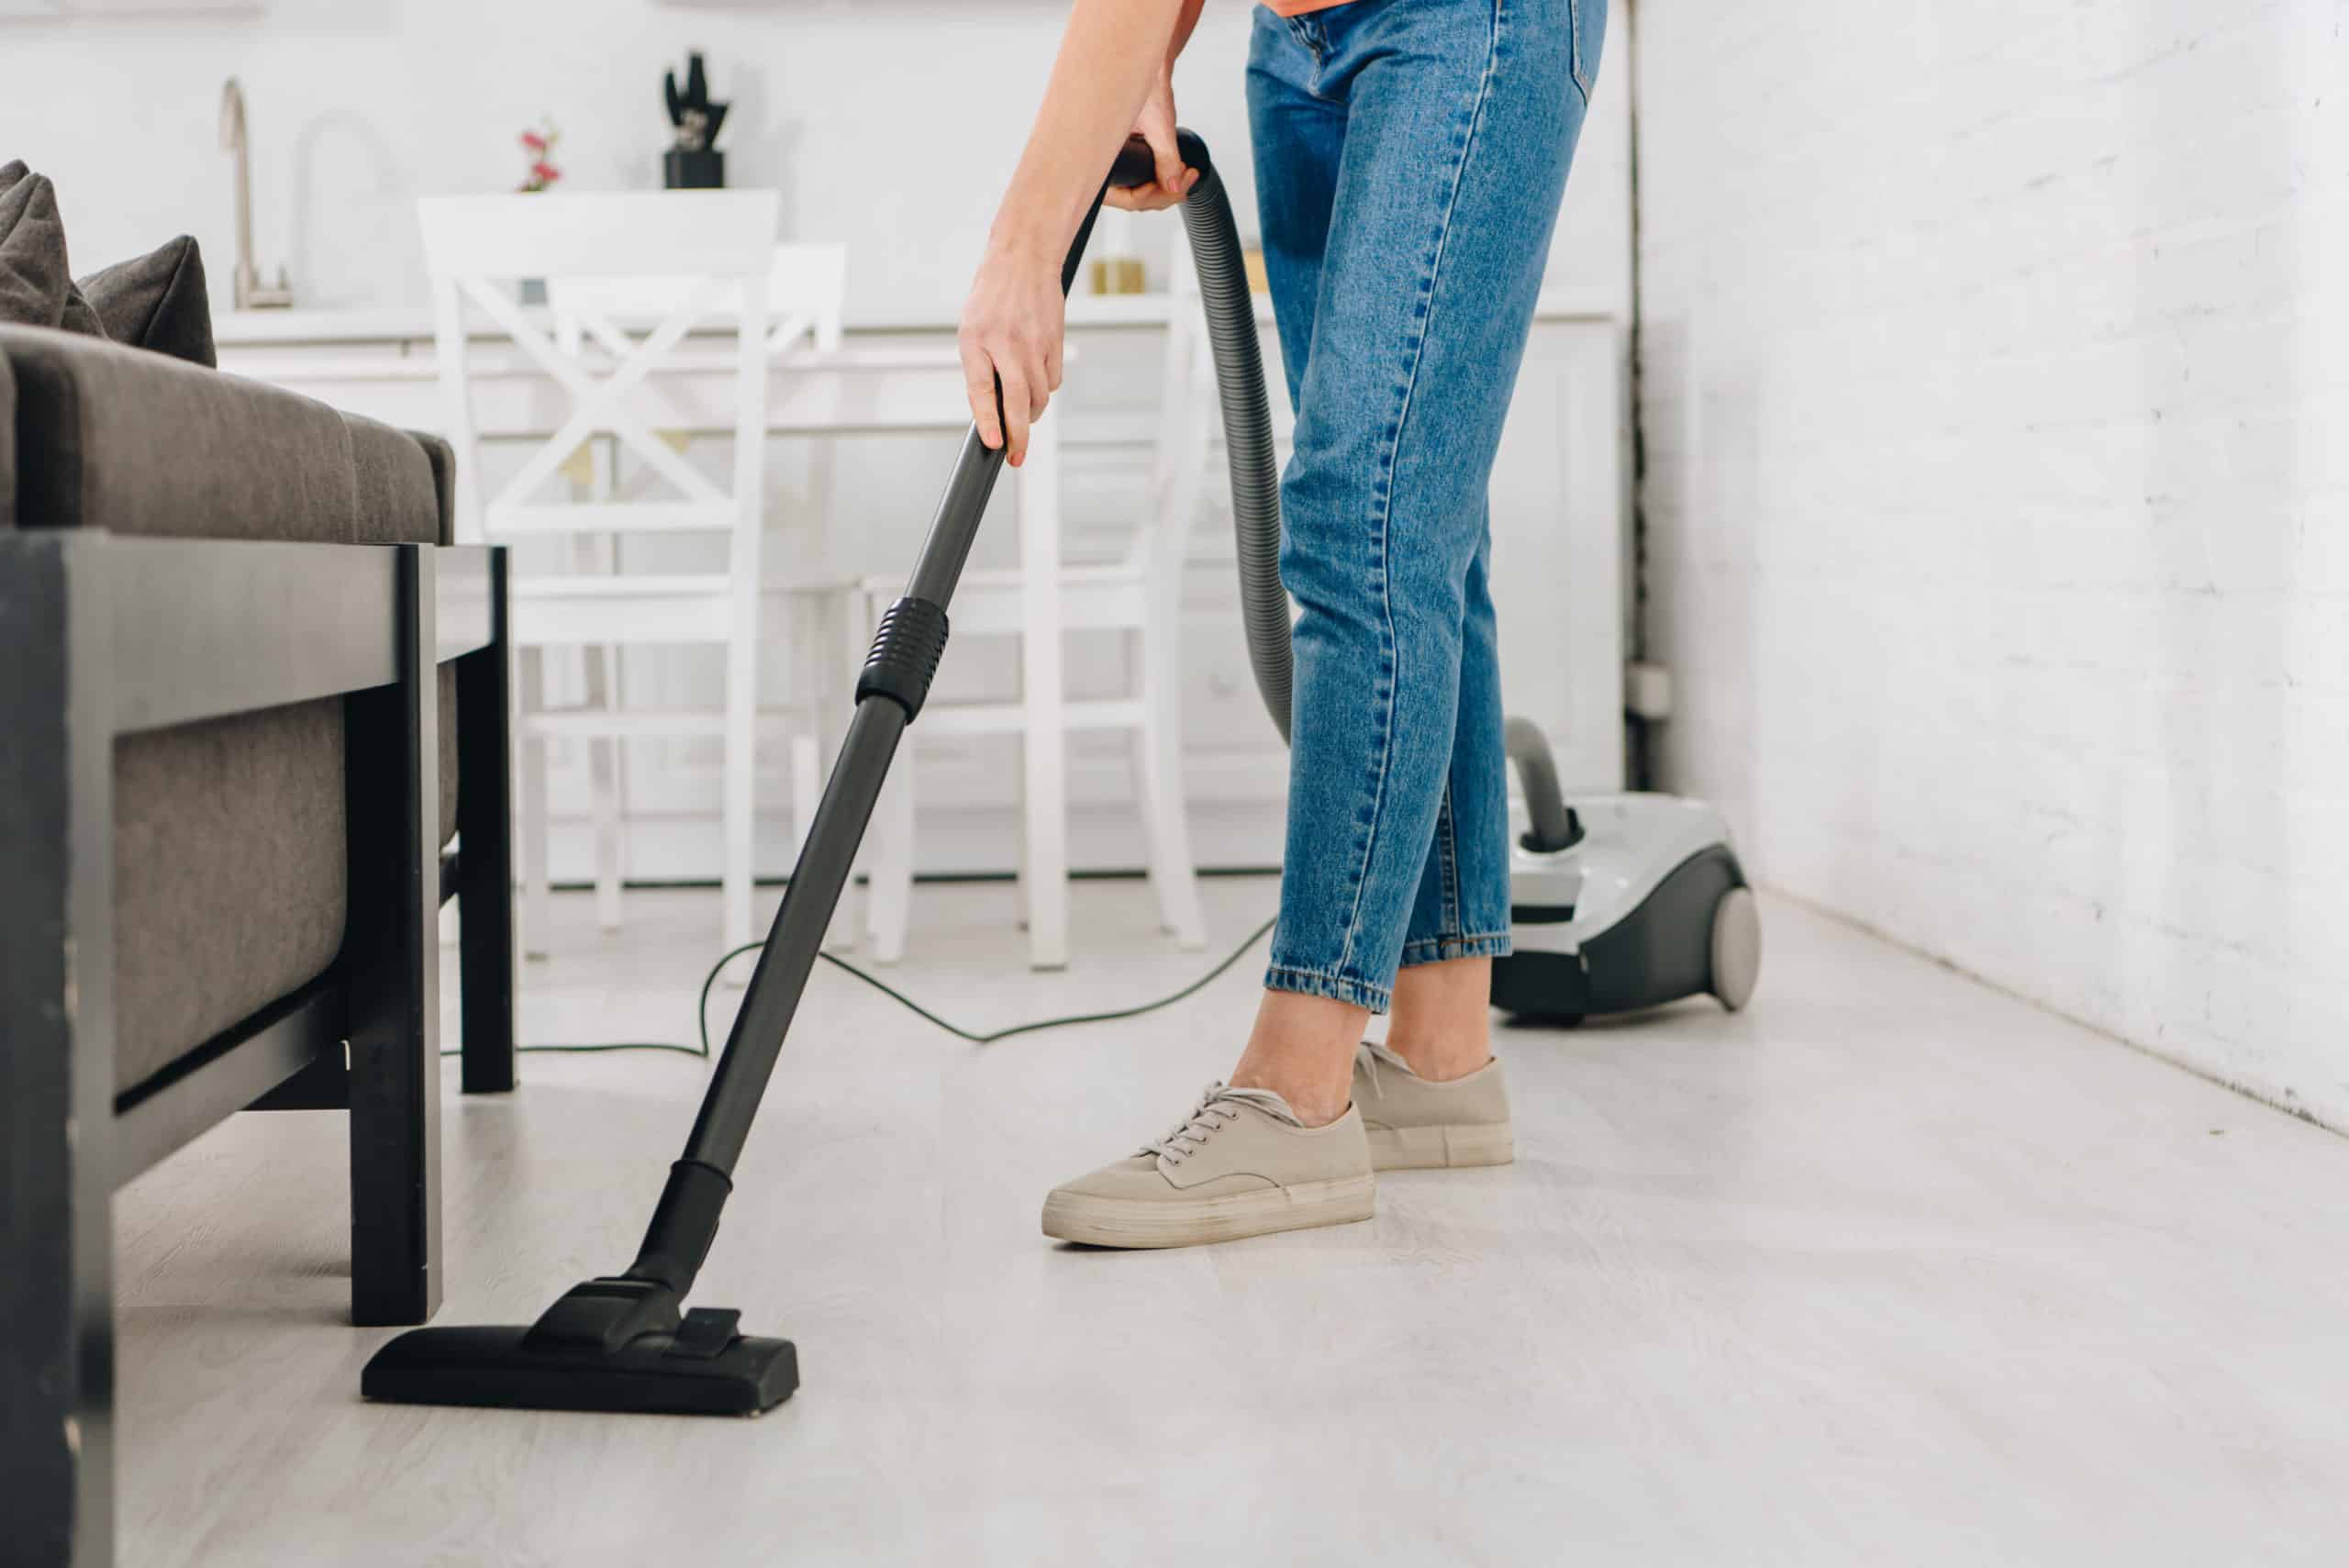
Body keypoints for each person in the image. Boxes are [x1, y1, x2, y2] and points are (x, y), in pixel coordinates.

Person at [959, 0, 1606, 1248]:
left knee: (1367, 515)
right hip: (1299, 39)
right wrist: (1145, 62)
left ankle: (1294, 1091)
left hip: (1472, 22)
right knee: (1419, 527)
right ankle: (1440, 1059)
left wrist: (1020, 247)